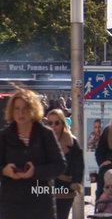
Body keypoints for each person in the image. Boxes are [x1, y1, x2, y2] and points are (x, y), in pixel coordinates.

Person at [0, 87, 66, 219]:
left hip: (41, 203)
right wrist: (4, 171)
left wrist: (35, 171)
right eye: (17, 109)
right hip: (12, 204)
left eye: (25, 108)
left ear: (33, 110)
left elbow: (60, 165)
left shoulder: (46, 134)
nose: (21, 113)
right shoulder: (4, 136)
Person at [46, 109, 85, 219]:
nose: (53, 126)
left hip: (65, 189)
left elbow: (78, 164)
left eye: (57, 123)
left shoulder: (72, 141)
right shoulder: (43, 141)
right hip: (45, 189)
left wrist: (75, 181)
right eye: (50, 123)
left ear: (63, 123)